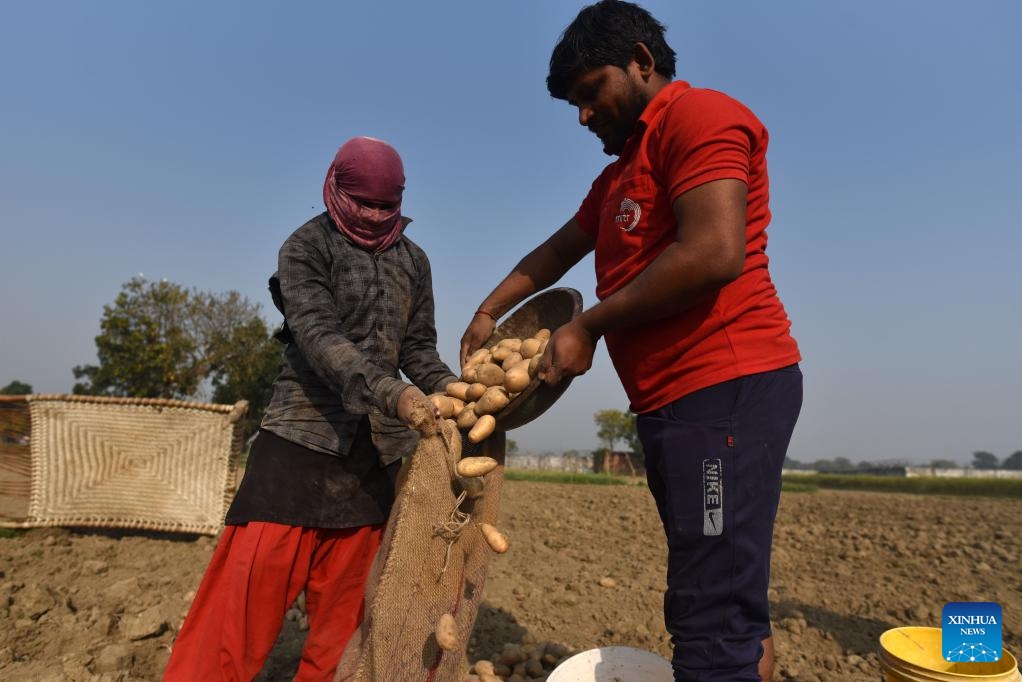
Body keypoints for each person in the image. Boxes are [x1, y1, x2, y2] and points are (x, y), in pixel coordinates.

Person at [460, 2, 802, 680]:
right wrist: (489, 309)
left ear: (642, 62)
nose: (584, 116)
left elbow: (713, 252)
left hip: (723, 391)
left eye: (592, 93)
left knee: (710, 615)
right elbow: (563, 245)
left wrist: (587, 325)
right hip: (677, 405)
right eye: (574, 105)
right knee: (727, 594)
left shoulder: (700, 119)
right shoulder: (621, 172)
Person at [164, 136, 456, 681]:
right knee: (238, 617)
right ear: (335, 189)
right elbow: (320, 339)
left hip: (372, 459)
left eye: (384, 207)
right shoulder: (305, 248)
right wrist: (395, 394)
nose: (372, 216)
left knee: (346, 627)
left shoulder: (414, 261)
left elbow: (417, 349)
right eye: (361, 203)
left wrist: (455, 393)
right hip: (300, 442)